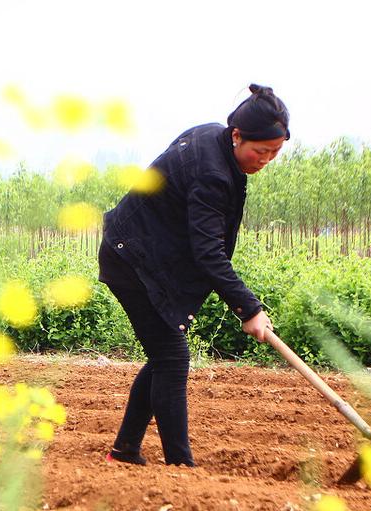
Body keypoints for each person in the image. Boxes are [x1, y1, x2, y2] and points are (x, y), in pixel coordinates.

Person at [99, 84, 289, 467]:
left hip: (145, 253)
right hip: (130, 259)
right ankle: (180, 466)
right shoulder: (213, 175)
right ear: (236, 136)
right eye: (260, 150)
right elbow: (209, 254)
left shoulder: (212, 139)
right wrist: (249, 309)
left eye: (275, 152)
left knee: (163, 356)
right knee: (171, 356)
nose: (265, 160)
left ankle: (125, 450)